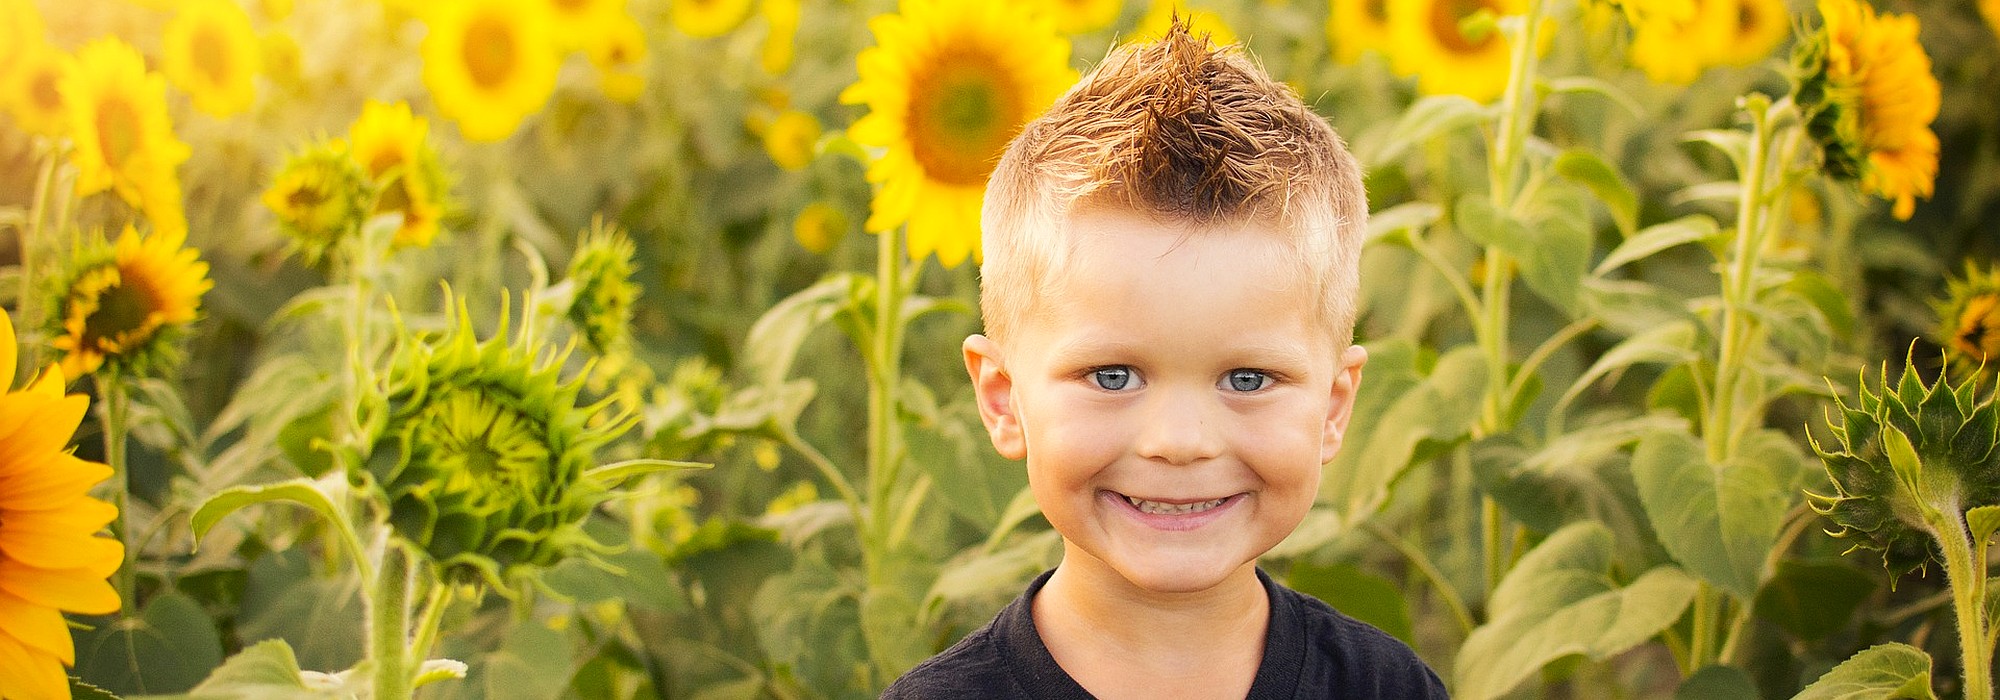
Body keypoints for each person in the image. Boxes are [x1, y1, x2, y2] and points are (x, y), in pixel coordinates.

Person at [880, 17, 1449, 700]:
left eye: (1247, 379)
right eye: (1113, 376)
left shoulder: (1385, 689)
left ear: (1332, 406)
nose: (1179, 442)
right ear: (1005, 400)